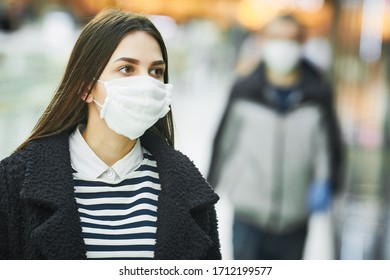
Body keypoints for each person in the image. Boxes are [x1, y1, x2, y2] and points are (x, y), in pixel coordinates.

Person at [0, 8, 221, 260]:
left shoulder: (190, 189)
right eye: (127, 69)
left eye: (156, 71)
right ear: (85, 87)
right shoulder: (14, 182)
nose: (147, 84)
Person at [207, 15, 343, 260]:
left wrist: (328, 182)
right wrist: (208, 191)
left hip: (295, 218)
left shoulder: (318, 94)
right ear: (264, 41)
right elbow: (223, 141)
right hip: (248, 213)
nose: (283, 46)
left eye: (291, 39)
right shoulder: (244, 90)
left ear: (302, 44)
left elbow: (328, 146)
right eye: (277, 38)